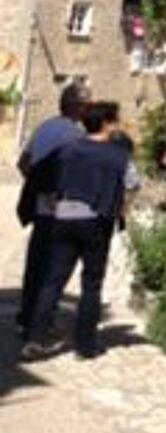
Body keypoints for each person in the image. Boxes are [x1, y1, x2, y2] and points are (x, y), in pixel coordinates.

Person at [22, 101, 128, 361]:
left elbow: (38, 175)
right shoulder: (117, 154)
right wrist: (122, 207)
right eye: (115, 120)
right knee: (91, 284)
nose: (118, 125)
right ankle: (84, 346)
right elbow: (132, 183)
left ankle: (35, 338)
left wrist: (50, 207)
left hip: (65, 218)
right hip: (97, 221)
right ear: (105, 123)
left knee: (53, 280)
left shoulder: (67, 150)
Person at [15, 81, 91, 334]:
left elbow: (23, 163)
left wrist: (38, 187)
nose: (88, 109)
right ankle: (40, 321)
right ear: (76, 107)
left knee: (36, 260)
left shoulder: (44, 128)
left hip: (41, 203)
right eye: (86, 105)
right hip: (63, 206)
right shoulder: (77, 135)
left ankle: (25, 316)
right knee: (54, 266)